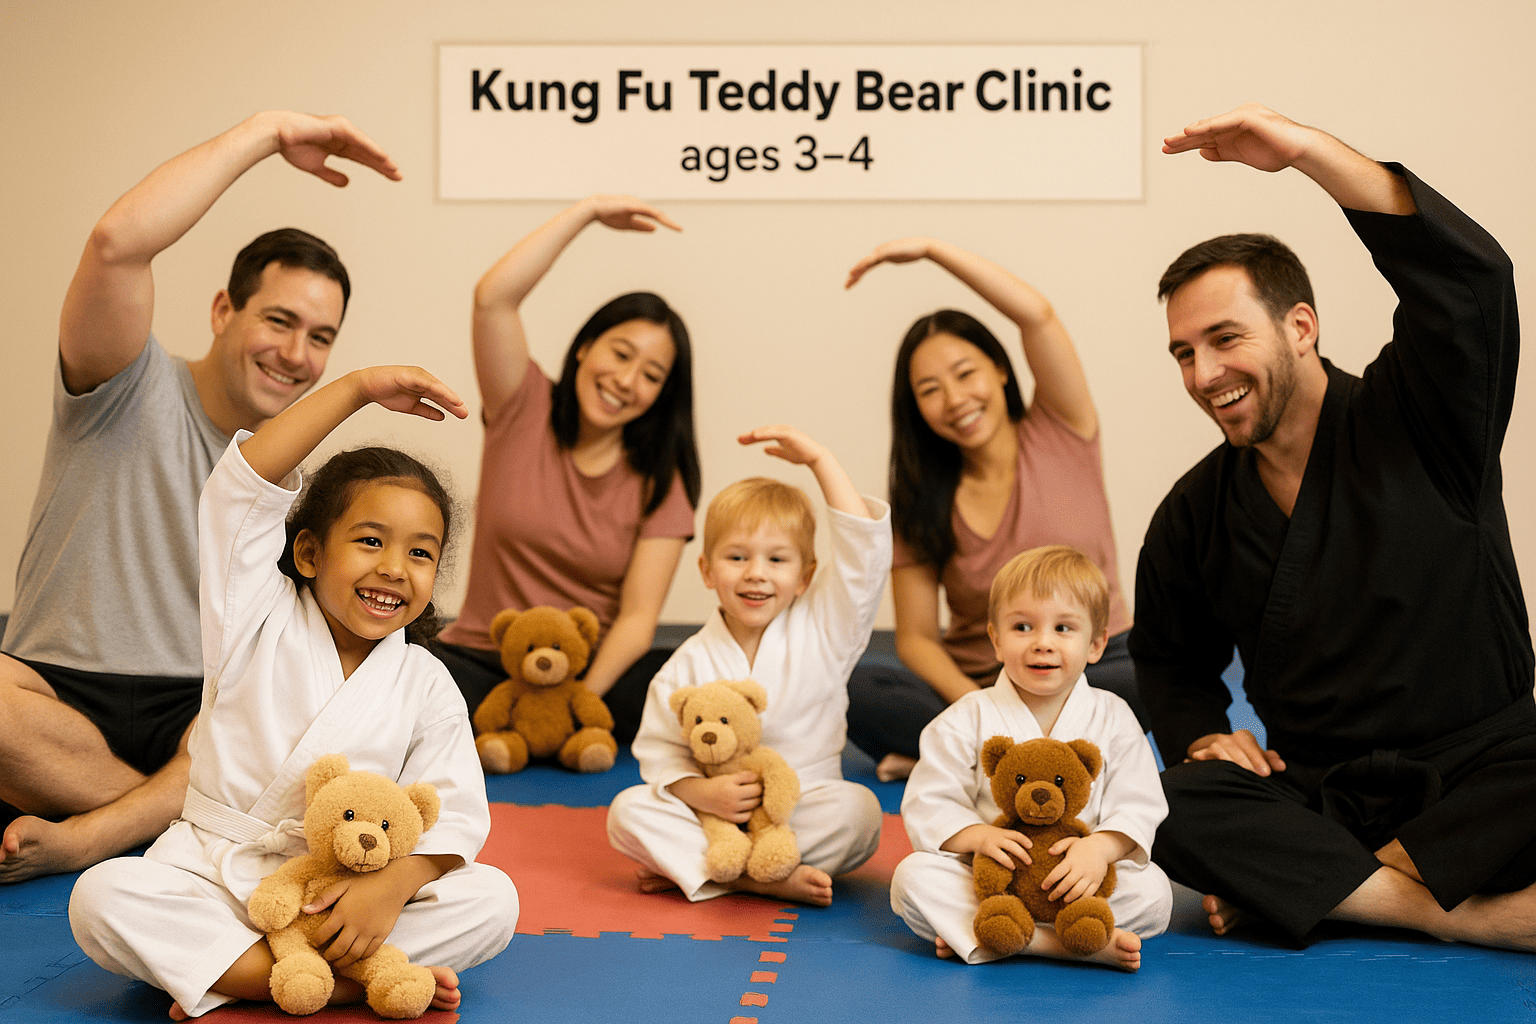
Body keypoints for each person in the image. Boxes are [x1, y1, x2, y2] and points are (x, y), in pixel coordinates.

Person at [1134, 103, 1536, 951]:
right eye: (1182, 353)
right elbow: (1170, 660)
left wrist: (1309, 154)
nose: (1204, 375)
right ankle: (1448, 909)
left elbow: (1471, 284)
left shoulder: (1424, 420)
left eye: (1223, 338)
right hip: (1325, 791)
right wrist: (1206, 734)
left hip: (1490, 772)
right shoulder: (1195, 510)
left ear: (1301, 327)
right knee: (1171, 797)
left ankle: (1326, 885)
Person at [0, 111, 401, 883]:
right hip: (52, 690)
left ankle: (91, 836)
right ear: (224, 311)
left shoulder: (293, 474)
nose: (295, 354)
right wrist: (269, 133)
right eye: (279, 320)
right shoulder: (124, 383)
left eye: (320, 337)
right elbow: (119, 242)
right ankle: (176, 822)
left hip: (199, 715)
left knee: (295, 726)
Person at [69, 365, 518, 1019]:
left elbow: (453, 810)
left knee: (494, 900)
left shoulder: (425, 680)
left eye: (421, 554)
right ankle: (344, 985)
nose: (394, 567)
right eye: (370, 541)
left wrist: (393, 886)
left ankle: (229, 974)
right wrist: (356, 390)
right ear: (308, 553)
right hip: (214, 877)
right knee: (101, 897)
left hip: (345, 895)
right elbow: (237, 489)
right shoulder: (254, 612)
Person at [842, 238, 1144, 784]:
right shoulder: (920, 494)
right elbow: (914, 638)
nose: (954, 399)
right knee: (851, 688)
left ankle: (975, 762)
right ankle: (1033, 755)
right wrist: (984, 708)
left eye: (965, 373)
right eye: (929, 390)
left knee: (1157, 675)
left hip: (1094, 664)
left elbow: (1038, 315)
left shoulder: (1062, 426)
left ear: (1002, 370)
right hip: (984, 677)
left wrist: (935, 251)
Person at [434, 194, 699, 745]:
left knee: (682, 676)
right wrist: (586, 214)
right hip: (482, 660)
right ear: (584, 348)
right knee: (400, 667)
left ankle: (540, 736)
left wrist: (577, 702)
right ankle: (518, 735)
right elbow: (493, 300)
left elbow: (635, 620)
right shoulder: (521, 405)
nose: (627, 380)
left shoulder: (660, 481)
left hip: (587, 674)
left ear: (661, 395)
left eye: (651, 375)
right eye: (620, 353)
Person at [607, 425, 891, 907]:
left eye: (776, 559)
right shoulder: (687, 663)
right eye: (737, 557)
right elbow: (659, 752)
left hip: (798, 806)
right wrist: (702, 793)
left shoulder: (828, 631)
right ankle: (753, 878)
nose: (756, 572)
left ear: (804, 577)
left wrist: (821, 460)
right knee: (626, 811)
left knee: (860, 812)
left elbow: (864, 560)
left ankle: (703, 871)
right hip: (713, 815)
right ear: (707, 571)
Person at [891, 545, 1170, 969]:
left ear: (1095, 644)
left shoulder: (1113, 716)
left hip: (1079, 883)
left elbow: (1139, 803)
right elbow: (930, 801)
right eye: (1023, 627)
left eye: (1063, 628)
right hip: (996, 882)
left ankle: (987, 934)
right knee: (911, 879)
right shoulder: (966, 717)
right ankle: (1063, 943)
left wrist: (1099, 849)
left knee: (1155, 892)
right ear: (996, 640)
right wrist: (979, 837)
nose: (1042, 643)